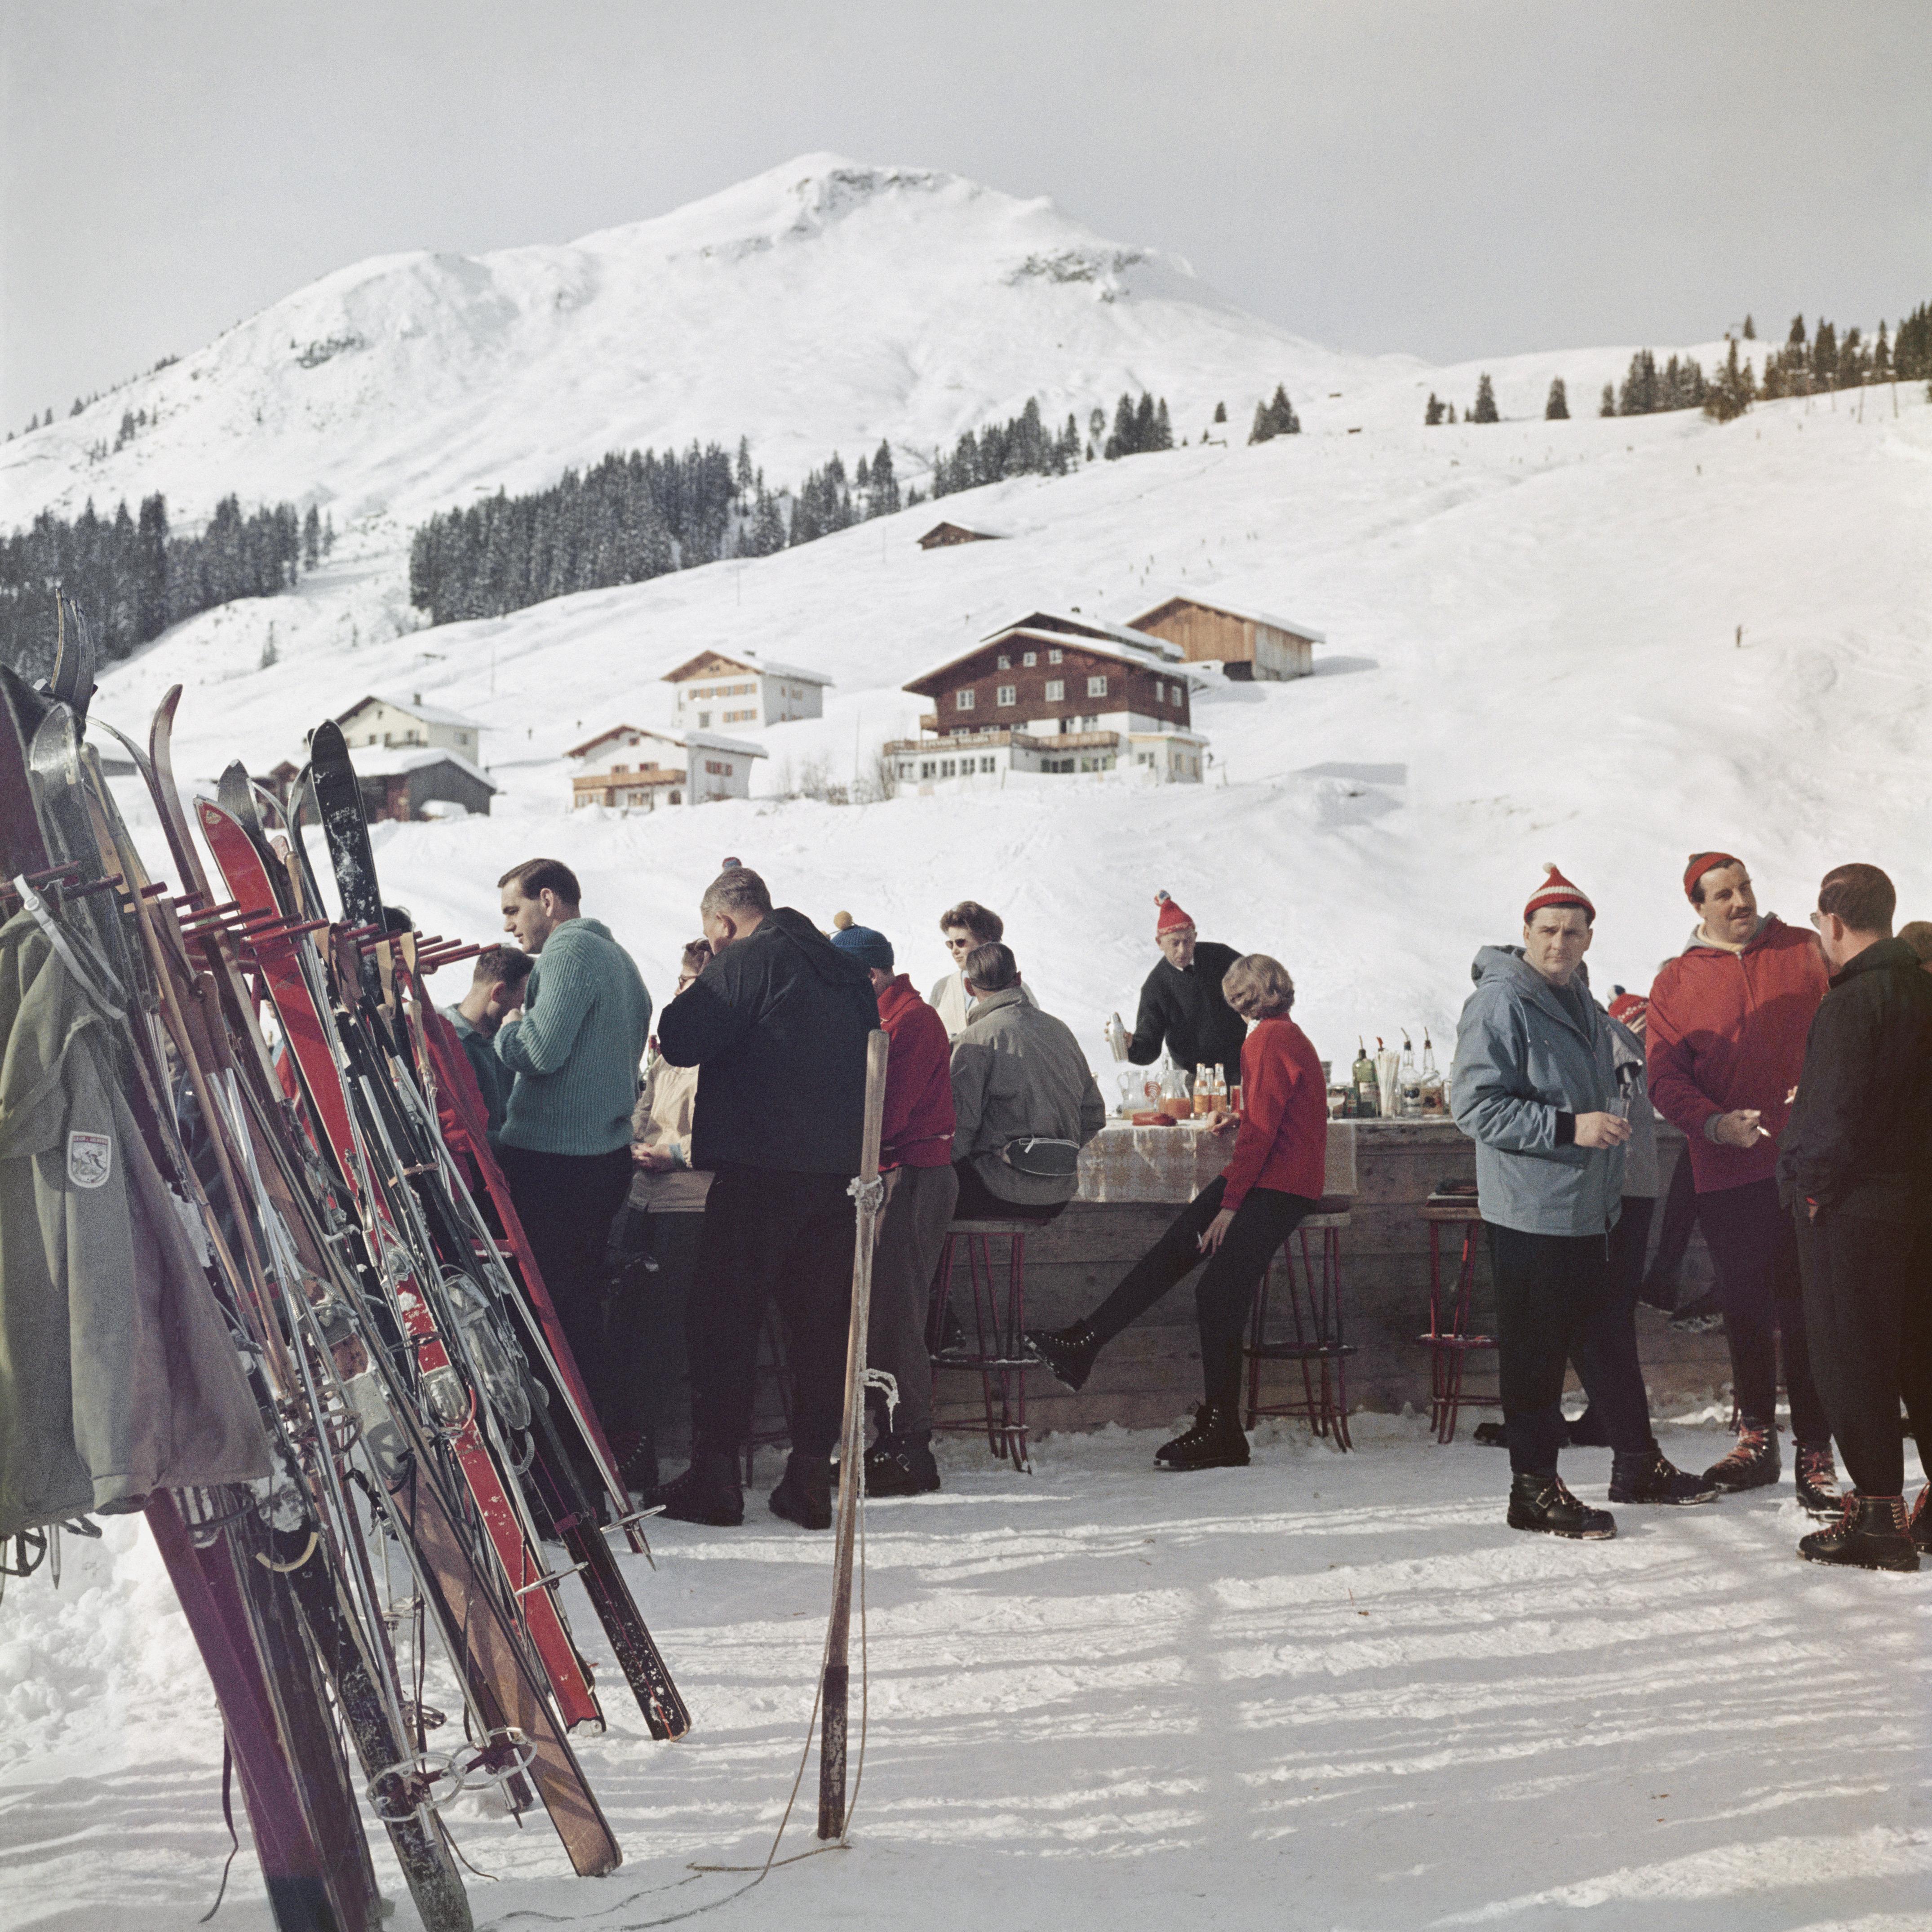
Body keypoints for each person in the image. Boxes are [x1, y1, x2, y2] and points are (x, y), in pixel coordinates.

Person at [1451, 864, 1715, 1540]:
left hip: (1586, 1209)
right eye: (1548, 931)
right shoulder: (1502, 1002)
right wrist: (1570, 1128)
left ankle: (1635, 1463)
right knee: (1535, 1350)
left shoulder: (1580, 1000)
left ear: (1590, 938)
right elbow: (1474, 1105)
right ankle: (1532, 1489)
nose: (1559, 944)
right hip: (1533, 1208)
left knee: (1600, 1333)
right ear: (1526, 932)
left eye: (1573, 932)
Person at [1027, 954, 1326, 1471]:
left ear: (1240, 1000)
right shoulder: (1286, 1035)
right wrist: (1239, 1116)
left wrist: (1230, 1208)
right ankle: (1087, 1339)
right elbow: (1276, 1116)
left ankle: (1224, 1428)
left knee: (1216, 1290)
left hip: (1278, 1186)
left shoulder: (1266, 1040)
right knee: (1179, 1244)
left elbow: (1262, 1136)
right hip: (1273, 1177)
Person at [654, 866, 879, 1531]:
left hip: (760, 1173)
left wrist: (700, 980)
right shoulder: (842, 968)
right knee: (820, 1331)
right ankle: (811, 1480)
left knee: (723, 1322)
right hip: (836, 1176)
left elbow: (682, 1039)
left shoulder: (749, 958)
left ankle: (717, 1480)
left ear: (722, 923)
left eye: (711, 936)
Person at [1645, 851, 1840, 1511]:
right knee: (1746, 1308)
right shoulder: (1675, 982)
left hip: (1809, 1166)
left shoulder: (1807, 953)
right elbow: (1664, 1079)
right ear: (1698, 908)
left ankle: (1817, 1448)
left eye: (1745, 887)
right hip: (1727, 1172)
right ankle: (1757, 1437)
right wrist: (1714, 1123)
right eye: (1723, 894)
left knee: (1808, 1308)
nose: (1739, 902)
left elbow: (1850, 1036)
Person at [1778, 864, 1932, 1571]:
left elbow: (1831, 1121)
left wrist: (1809, 1189)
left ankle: (1877, 1517)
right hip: (1921, 1208)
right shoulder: (1926, 990)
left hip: (1855, 1212)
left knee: (1851, 1356)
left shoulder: (1849, 1004)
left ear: (1832, 924)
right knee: (1922, 1353)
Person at [494, 858, 651, 1453]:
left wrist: (510, 1026)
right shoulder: (621, 961)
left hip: (554, 1160)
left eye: (515, 910)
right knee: (581, 1303)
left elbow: (538, 1050)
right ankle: (605, 1436)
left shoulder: (568, 954)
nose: (511, 927)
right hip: (603, 1156)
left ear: (549, 900)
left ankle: (569, 1447)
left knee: (552, 1312)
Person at [828, 917, 957, 1498]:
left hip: (915, 1176)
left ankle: (912, 1446)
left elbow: (890, 1113)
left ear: (870, 973)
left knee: (898, 1310)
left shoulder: (910, 1020)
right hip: (897, 1175)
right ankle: (891, 1437)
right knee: (883, 1308)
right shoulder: (884, 1016)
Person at [603, 939, 713, 1500]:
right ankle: (628, 1444)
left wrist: (675, 1155)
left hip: (689, 1202)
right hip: (645, 1197)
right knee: (629, 1325)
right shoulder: (668, 1055)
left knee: (661, 1332)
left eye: (689, 981)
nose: (679, 991)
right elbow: (643, 1114)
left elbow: (724, 1135)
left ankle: (646, 1450)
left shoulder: (721, 1055)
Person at [948, 942, 1105, 1224]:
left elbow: (960, 1131)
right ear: (1018, 979)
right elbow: (1093, 1115)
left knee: (916, 1195)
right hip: (1059, 1196)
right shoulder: (1060, 1030)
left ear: (970, 988)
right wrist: (1050, 1157)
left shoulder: (974, 1039)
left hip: (999, 1192)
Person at [1126, 890, 1249, 1088]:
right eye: (1175, 943)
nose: (1183, 950)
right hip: (1195, 1078)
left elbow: (1258, 983)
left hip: (1243, 1068)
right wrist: (1131, 1045)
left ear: (1196, 937)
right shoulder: (1156, 986)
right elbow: (1149, 1047)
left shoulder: (1222, 957)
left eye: (1188, 941)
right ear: (1160, 943)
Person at [442, 944, 533, 1143]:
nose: (521, 1012)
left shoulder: (507, 1045)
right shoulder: (442, 1044)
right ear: (498, 992)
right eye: (521, 1002)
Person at [929, 900, 1038, 1035]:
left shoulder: (1016, 988)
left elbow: (1032, 1035)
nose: (954, 951)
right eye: (950, 944)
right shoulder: (942, 987)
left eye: (961, 943)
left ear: (985, 940)